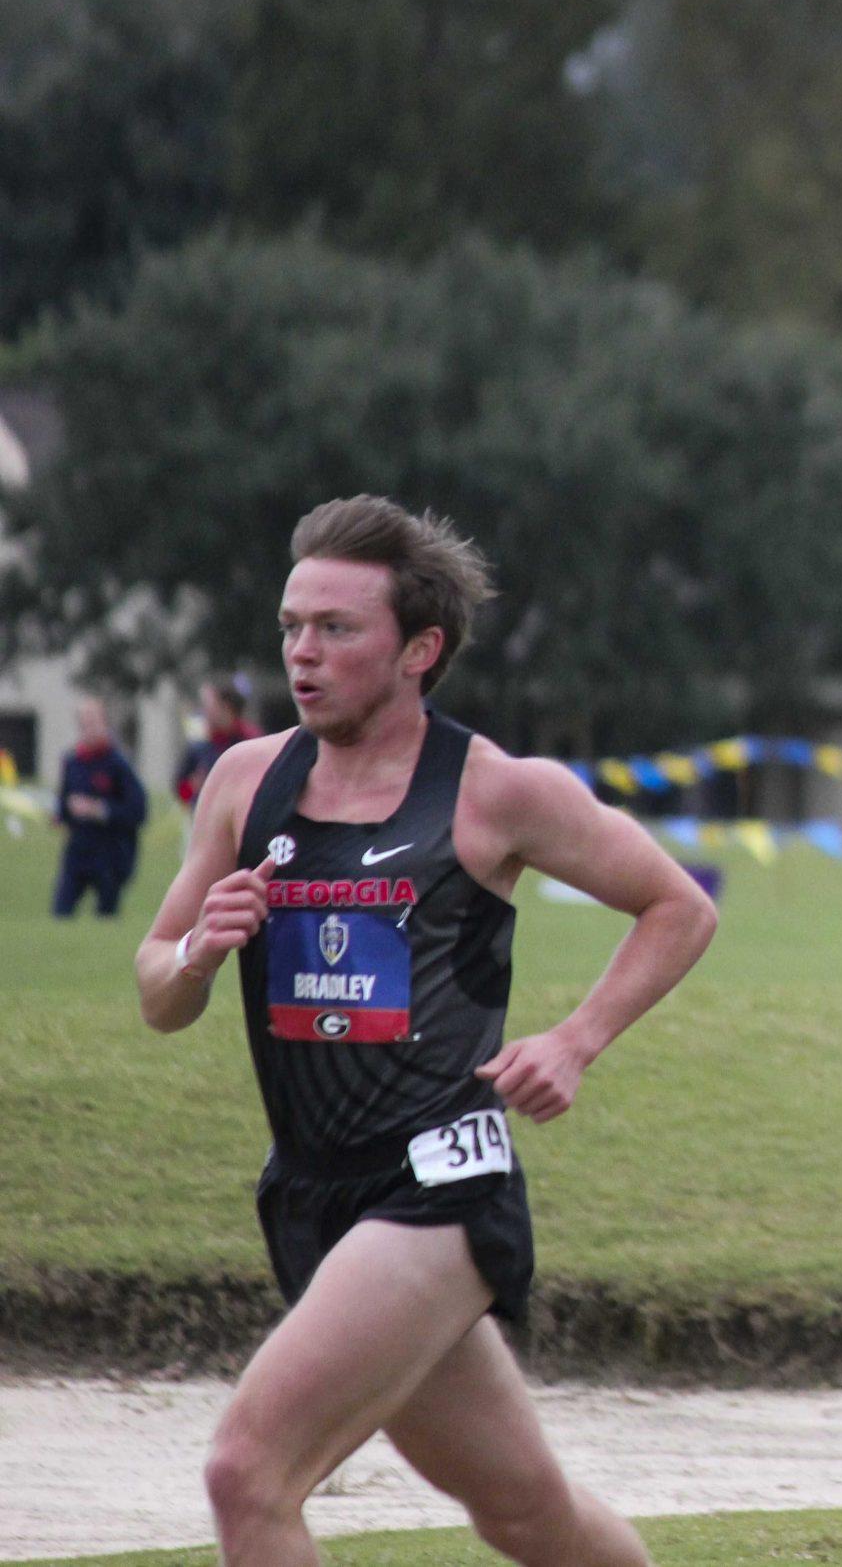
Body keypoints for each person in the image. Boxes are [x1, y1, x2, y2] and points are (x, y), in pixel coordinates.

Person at [133, 496, 718, 1567]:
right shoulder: (243, 783)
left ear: (420, 649)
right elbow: (157, 994)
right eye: (291, 627)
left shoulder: (496, 792)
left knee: (245, 1474)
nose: (302, 655)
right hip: (309, 1191)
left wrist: (575, 1039)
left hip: (438, 1184)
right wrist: (198, 954)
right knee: (526, 1511)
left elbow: (680, 906)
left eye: (336, 630)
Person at [53, 695, 149, 917]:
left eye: (94, 721)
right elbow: (64, 804)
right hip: (78, 850)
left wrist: (100, 810)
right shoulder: (72, 761)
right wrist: (63, 813)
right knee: (60, 912)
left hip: (110, 853)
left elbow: (138, 811)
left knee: (106, 915)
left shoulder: (118, 764)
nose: (89, 728)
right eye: (84, 723)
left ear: (105, 723)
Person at [178, 678, 263, 809]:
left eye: (209, 705)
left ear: (226, 707)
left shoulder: (252, 741)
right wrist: (192, 788)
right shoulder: (199, 743)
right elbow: (181, 794)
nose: (203, 711)